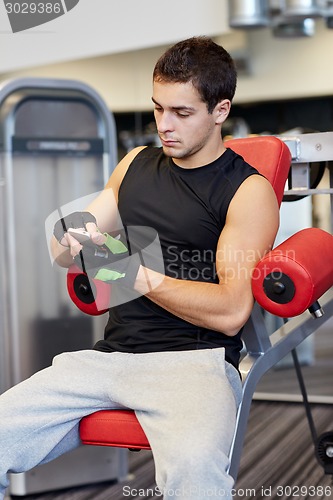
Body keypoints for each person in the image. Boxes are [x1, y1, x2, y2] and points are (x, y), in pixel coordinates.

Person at [0, 36, 279, 499]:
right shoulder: (134, 164)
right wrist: (70, 237)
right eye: (157, 109)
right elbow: (70, 243)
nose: (164, 126)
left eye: (182, 113)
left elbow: (231, 311)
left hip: (192, 366)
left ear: (220, 111)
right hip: (108, 359)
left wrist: (134, 272)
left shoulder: (247, 192)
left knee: (195, 472)